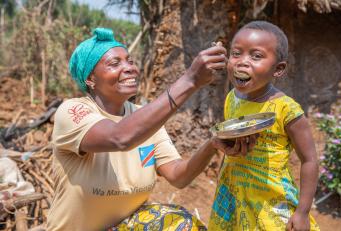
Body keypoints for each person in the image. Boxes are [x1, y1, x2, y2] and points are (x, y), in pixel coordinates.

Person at [46, 27, 234, 231]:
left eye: (130, 61)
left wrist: (213, 143)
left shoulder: (144, 117)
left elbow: (179, 176)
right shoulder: (73, 111)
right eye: (114, 63)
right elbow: (120, 138)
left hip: (124, 227)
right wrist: (189, 80)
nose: (129, 68)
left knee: (179, 223)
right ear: (90, 80)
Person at [208, 21, 320, 231]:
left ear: (278, 69)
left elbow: (310, 160)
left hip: (269, 200)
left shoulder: (286, 109)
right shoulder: (232, 98)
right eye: (236, 53)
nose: (242, 62)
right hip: (233, 193)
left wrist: (303, 212)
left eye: (256, 56)